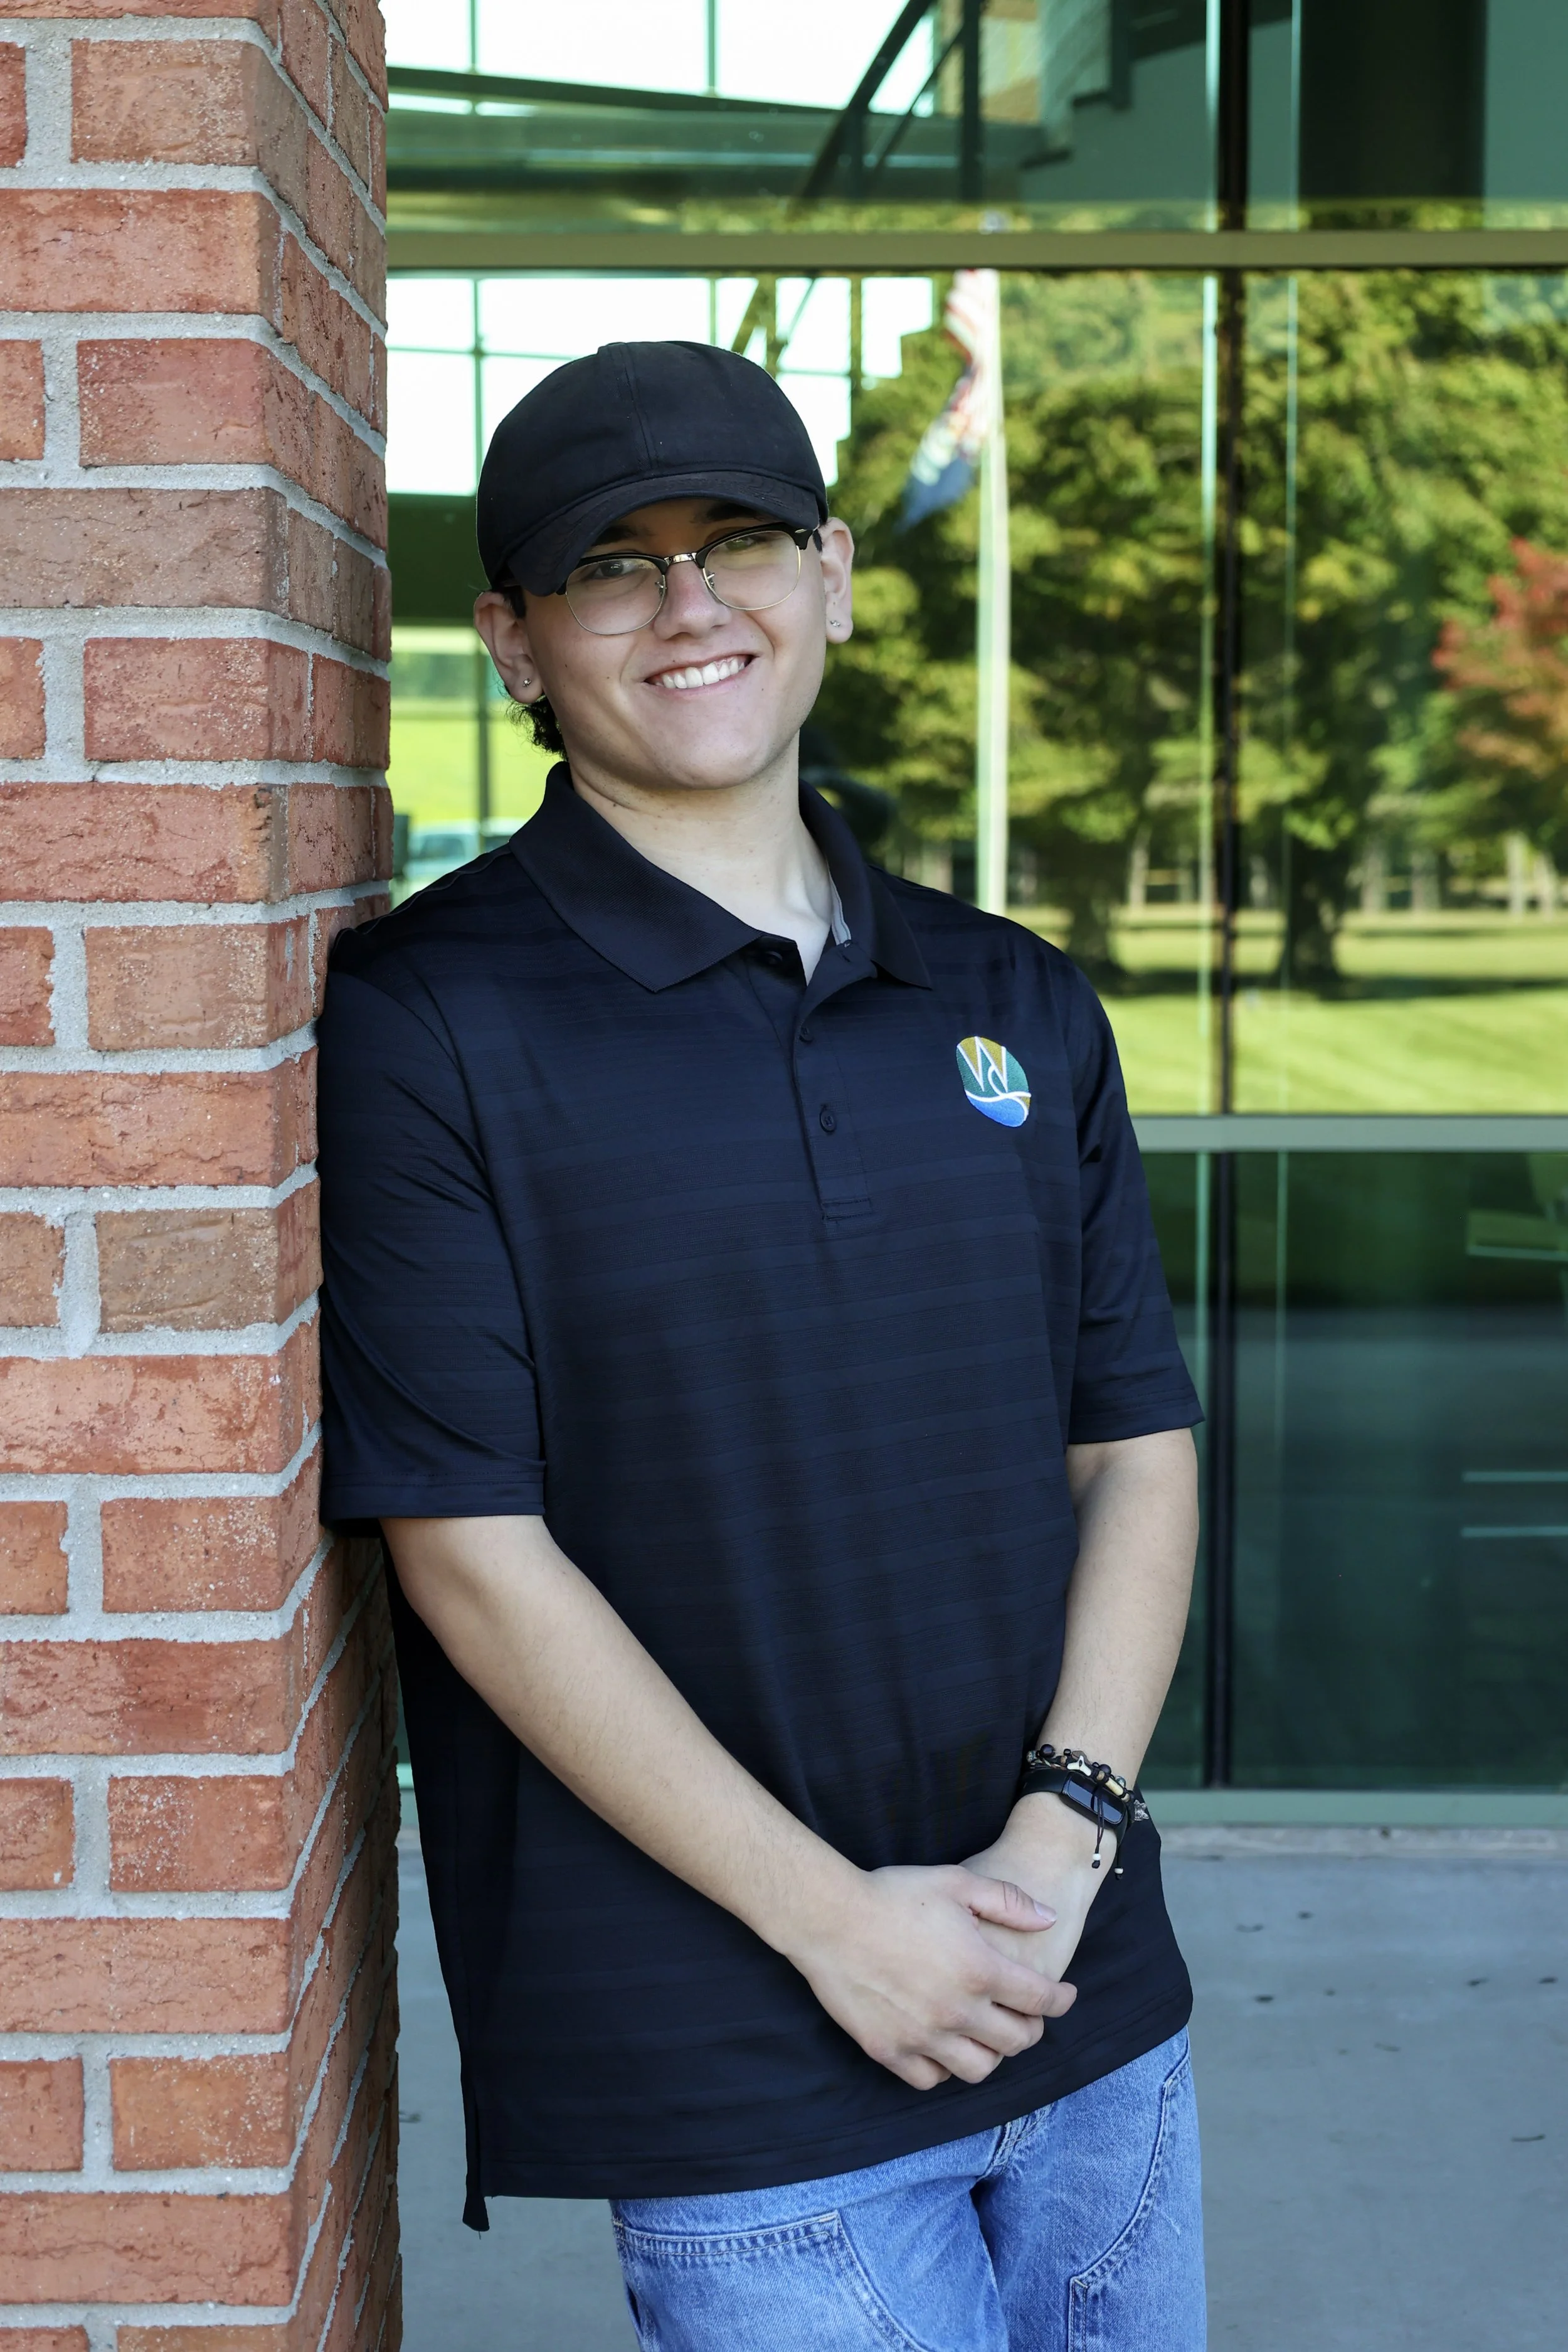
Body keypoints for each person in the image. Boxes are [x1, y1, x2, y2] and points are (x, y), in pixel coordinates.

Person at [318, 339, 1206, 2352]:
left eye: (737, 543)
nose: (689, 603)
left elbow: (1128, 1441)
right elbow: (468, 1545)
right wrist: (842, 1927)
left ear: (832, 579)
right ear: (517, 644)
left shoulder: (1014, 998)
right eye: (611, 566)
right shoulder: (432, 1017)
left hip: (1077, 1968)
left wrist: (1062, 1840)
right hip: (728, 2031)